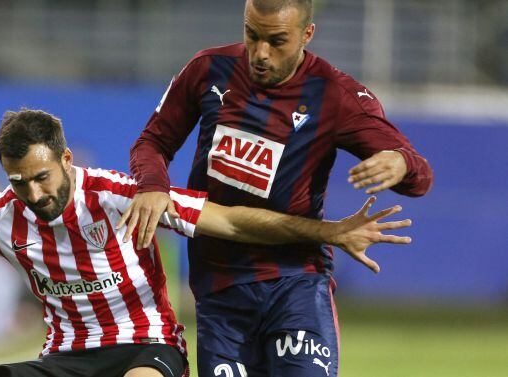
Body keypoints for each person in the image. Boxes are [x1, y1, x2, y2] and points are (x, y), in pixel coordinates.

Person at [0, 109, 412, 377]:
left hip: (148, 347)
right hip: (69, 357)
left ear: (66, 160)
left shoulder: (122, 195)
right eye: (19, 182)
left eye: (42, 177)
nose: (33, 194)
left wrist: (327, 232)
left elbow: (232, 220)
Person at [123, 1, 433, 376]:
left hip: (295, 280)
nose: (261, 53)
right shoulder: (208, 69)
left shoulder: (335, 95)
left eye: (277, 41)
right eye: (252, 35)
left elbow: (420, 176)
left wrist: (400, 162)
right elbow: (152, 142)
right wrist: (153, 185)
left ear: (307, 34)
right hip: (218, 287)